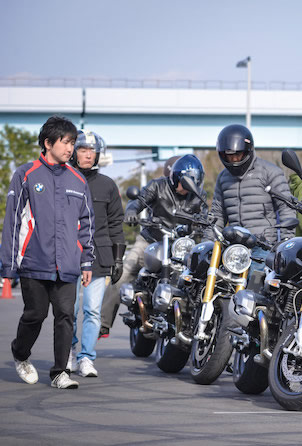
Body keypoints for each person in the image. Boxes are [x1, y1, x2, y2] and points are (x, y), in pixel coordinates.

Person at [1, 115, 95, 389]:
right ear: (47, 143)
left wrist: (87, 261)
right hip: (34, 261)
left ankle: (59, 373)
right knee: (35, 314)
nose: (70, 149)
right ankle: (20, 353)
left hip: (67, 263)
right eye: (66, 142)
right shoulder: (26, 175)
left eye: (73, 143)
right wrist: (8, 263)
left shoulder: (78, 180)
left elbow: (86, 224)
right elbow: (13, 220)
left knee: (66, 316)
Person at [99, 154, 207, 336]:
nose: (187, 189)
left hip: (180, 246)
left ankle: (194, 329)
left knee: (197, 279)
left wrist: (204, 225)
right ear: (176, 178)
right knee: (124, 272)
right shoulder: (157, 185)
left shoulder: (199, 196)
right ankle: (103, 323)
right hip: (151, 239)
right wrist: (132, 211)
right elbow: (138, 201)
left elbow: (205, 217)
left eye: (193, 185)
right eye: (185, 184)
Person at [67, 130, 125, 378]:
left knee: (92, 310)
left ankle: (86, 358)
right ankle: (67, 353)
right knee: (68, 311)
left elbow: (116, 223)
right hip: (69, 257)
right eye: (82, 149)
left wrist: (118, 256)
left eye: (91, 151)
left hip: (99, 258)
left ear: (98, 154)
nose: (87, 155)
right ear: (74, 153)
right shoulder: (64, 180)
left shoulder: (108, 185)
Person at [210, 124, 296, 270]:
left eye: (238, 155)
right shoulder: (223, 178)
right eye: (229, 156)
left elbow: (286, 209)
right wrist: (208, 243)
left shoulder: (270, 172)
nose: (234, 160)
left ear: (248, 151)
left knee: (255, 287)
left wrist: (287, 243)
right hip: (234, 248)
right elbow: (217, 215)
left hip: (263, 246)